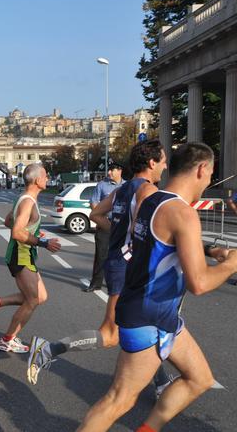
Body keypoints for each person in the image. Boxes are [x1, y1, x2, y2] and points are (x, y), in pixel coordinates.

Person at [78, 142, 237, 431]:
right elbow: (199, 284)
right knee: (119, 400)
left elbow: (164, 245)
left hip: (158, 313)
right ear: (201, 169)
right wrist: (230, 265)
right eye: (212, 173)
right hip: (148, 318)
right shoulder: (183, 213)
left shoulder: (151, 200)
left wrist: (210, 251)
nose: (211, 180)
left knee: (198, 379)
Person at [26, 140, 171, 388]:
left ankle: (160, 381)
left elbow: (95, 215)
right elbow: (144, 231)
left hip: (118, 262)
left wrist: (119, 233)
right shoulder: (147, 191)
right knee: (112, 333)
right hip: (128, 268)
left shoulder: (122, 190)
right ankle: (48, 348)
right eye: (164, 160)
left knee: (144, 325)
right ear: (152, 162)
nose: (165, 166)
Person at [0, 163, 61, 354]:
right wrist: (43, 243)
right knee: (32, 300)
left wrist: (32, 233)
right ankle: (7, 340)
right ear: (37, 180)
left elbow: (9, 221)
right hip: (20, 256)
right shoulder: (27, 202)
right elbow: (16, 232)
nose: (47, 178)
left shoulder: (24, 198)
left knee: (40, 296)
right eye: (46, 175)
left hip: (25, 254)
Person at [83, 162, 124, 292]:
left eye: (112, 170)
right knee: (101, 255)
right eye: (108, 170)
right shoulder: (102, 185)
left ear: (120, 170)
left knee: (122, 255)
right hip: (105, 224)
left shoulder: (126, 185)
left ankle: (118, 282)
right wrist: (101, 219)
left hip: (121, 225)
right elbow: (94, 203)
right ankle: (95, 283)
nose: (109, 173)